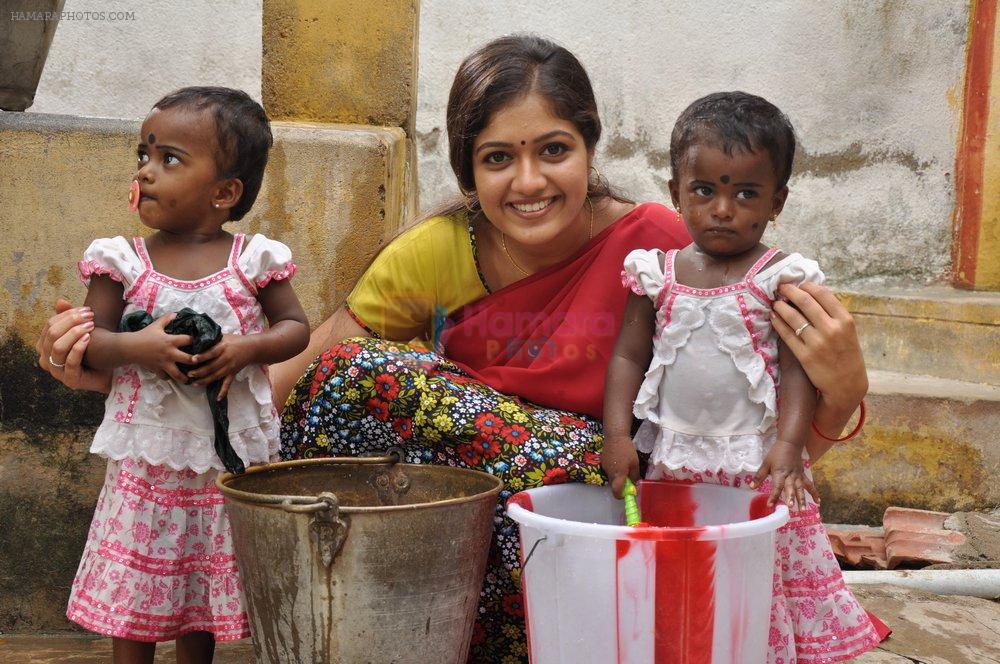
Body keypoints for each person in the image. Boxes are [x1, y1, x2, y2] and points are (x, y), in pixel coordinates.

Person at [38, 38, 870, 664]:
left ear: (589, 148)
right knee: (355, 376)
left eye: (553, 150)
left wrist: (842, 384)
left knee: (555, 457)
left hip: (604, 513)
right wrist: (111, 363)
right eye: (497, 158)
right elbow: (283, 389)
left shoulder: (661, 250)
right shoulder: (439, 251)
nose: (530, 182)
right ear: (470, 171)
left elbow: (752, 413)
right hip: (477, 527)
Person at [603, 92, 880, 662]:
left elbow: (798, 367)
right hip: (675, 459)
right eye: (704, 190)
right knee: (687, 571)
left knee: (758, 568)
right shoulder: (656, 274)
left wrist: (788, 444)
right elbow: (628, 358)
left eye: (745, 192)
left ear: (776, 201)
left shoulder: (777, 277)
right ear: (676, 192)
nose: (723, 208)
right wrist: (616, 436)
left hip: (756, 462)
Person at [62, 86, 309, 664]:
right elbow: (91, 344)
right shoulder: (121, 262)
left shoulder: (254, 261)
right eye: (142, 156)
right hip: (146, 462)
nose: (146, 172)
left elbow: (295, 328)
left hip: (219, 463)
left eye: (168, 159)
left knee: (199, 582)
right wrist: (138, 346)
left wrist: (245, 349)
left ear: (225, 192)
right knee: (138, 588)